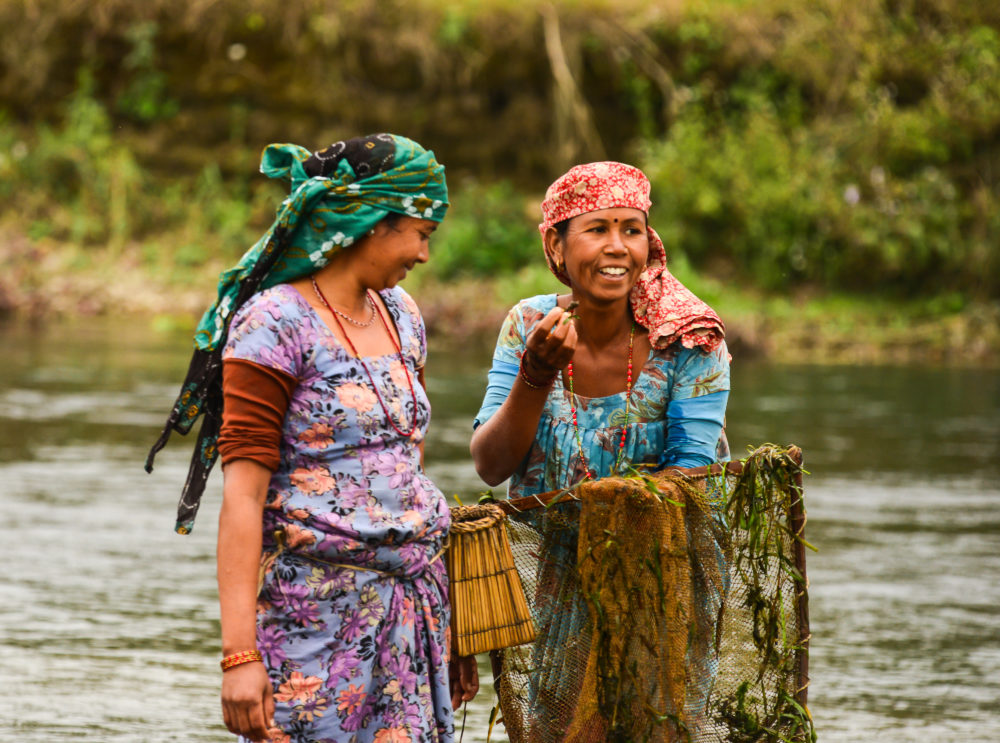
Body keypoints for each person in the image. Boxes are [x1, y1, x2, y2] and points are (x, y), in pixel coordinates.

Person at [146, 133, 477, 743]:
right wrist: (239, 657)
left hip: (415, 610)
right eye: (420, 233)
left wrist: (455, 625)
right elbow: (243, 497)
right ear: (371, 222)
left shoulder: (401, 313)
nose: (425, 255)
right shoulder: (274, 325)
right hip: (314, 617)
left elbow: (406, 458)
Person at [468, 161, 730, 738]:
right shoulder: (529, 324)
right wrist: (536, 375)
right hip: (563, 574)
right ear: (557, 248)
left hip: (669, 574)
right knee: (561, 728)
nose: (618, 247)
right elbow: (490, 465)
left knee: (654, 726)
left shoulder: (689, 340)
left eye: (632, 229)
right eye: (597, 229)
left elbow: (691, 472)